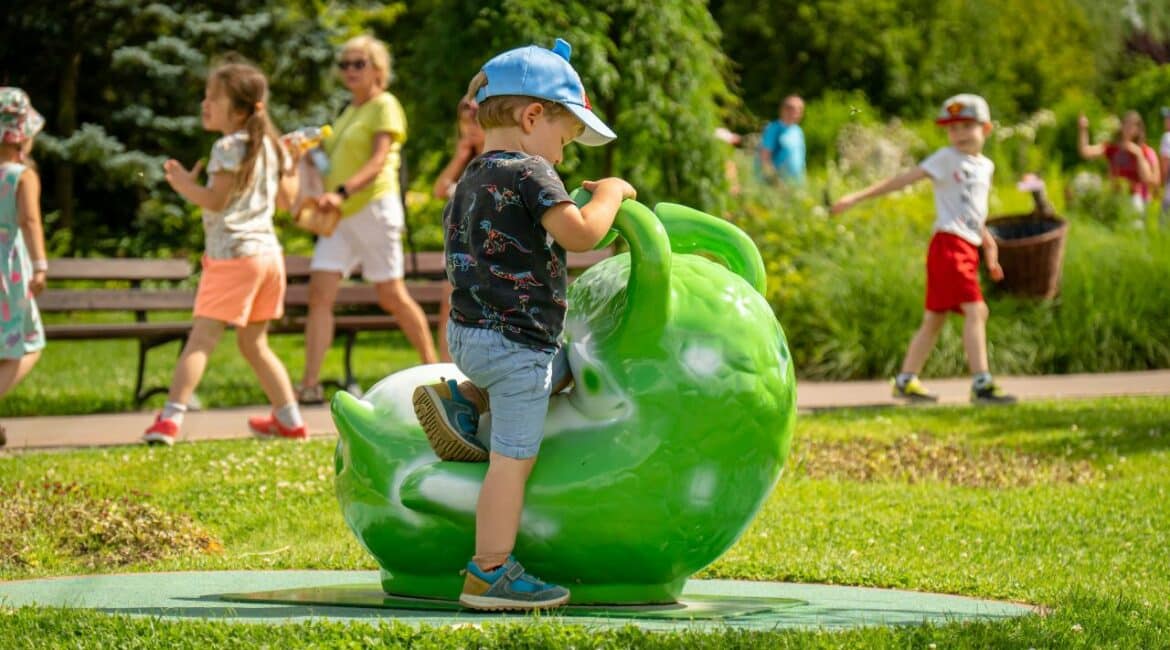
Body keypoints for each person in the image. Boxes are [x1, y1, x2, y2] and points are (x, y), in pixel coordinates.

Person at [411, 38, 633, 610]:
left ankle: (464, 399)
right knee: (514, 461)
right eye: (564, 138)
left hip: (468, 336)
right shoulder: (532, 172)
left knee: (563, 367)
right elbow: (583, 234)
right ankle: (490, 572)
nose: (561, 155)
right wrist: (610, 194)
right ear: (534, 116)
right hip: (516, 349)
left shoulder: (472, 177)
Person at [142, 61, 306, 446]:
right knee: (254, 343)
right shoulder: (270, 146)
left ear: (238, 110)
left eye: (212, 97)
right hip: (268, 258)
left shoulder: (228, 146)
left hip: (234, 258)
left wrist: (183, 183)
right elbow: (288, 200)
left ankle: (168, 420)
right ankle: (291, 420)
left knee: (200, 341)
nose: (205, 103)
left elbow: (215, 200)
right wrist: (293, 163)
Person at [831, 94, 1016, 405]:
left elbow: (974, 212)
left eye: (966, 126)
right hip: (948, 245)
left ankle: (906, 380)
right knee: (977, 310)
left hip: (967, 245)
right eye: (952, 128)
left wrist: (989, 245)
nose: (958, 134)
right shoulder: (946, 158)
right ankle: (981, 384)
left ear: (986, 129)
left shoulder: (986, 166)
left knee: (935, 319)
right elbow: (903, 180)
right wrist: (855, 197)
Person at [297, 35, 437, 404]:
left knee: (391, 295)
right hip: (339, 217)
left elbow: (377, 162)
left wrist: (340, 191)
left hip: (373, 208)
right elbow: (331, 161)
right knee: (320, 293)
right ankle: (309, 385)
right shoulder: (348, 112)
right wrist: (310, 157)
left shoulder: (385, 105)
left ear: (378, 69)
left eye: (358, 63)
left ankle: (435, 372)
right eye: (345, 64)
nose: (350, 71)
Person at [0, 88, 48, 448]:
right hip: (10, 272)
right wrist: (41, 267)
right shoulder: (22, 176)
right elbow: (30, 222)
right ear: (23, 137)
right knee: (30, 342)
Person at [430, 97, 485, 361]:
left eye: (475, 124)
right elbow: (439, 189)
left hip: (485, 249)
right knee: (448, 308)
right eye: (465, 125)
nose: (471, 130)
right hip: (458, 248)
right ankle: (444, 366)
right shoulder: (465, 162)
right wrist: (460, 155)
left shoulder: (495, 159)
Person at [1077, 110, 1160, 215]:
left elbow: (1150, 180)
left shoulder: (1145, 151)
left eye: (1132, 125)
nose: (1128, 128)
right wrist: (1083, 129)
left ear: (1138, 130)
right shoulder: (1113, 148)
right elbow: (1085, 152)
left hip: (1137, 199)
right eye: (1126, 123)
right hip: (1115, 197)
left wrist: (1138, 155)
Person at [759, 94, 806, 185]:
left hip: (796, 185)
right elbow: (764, 158)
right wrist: (775, 182)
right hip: (778, 186)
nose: (796, 113)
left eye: (800, 110)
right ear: (783, 110)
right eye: (792, 109)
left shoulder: (798, 131)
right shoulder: (773, 129)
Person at [1159, 106, 1170, 220]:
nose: (1165, 121)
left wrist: (1161, 184)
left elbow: (1165, 163)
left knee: (1164, 221)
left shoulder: (1167, 137)